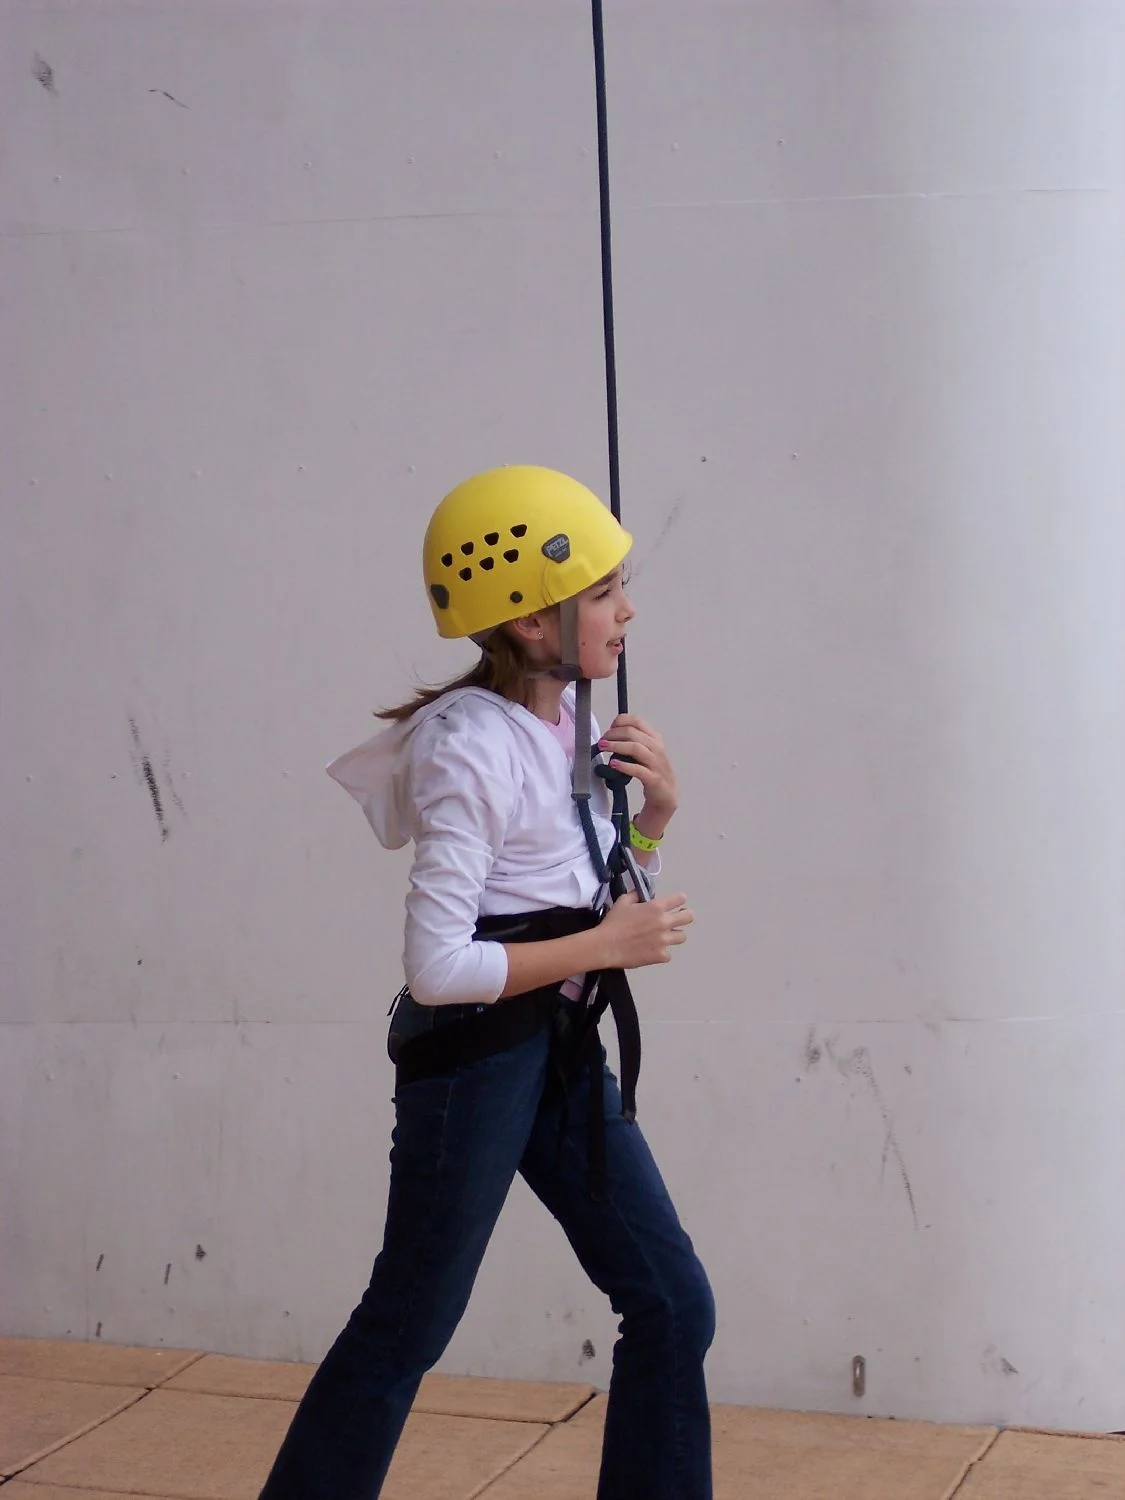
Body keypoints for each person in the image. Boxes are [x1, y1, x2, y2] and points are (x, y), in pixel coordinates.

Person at [258, 465, 714, 1499]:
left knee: (674, 1302)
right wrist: (602, 950)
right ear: (529, 620)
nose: (626, 610)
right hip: (474, 1064)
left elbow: (586, 893)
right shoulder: (467, 749)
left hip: (558, 1050)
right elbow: (438, 968)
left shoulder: (570, 724)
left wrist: (653, 821)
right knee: (408, 1323)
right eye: (603, 592)